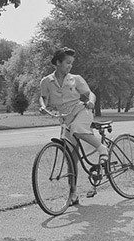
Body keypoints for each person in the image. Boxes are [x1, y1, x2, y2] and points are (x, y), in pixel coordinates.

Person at [39, 47, 108, 203]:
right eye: (67, 63)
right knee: (71, 158)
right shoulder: (46, 81)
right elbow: (43, 97)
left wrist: (91, 101)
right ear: (58, 63)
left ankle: (102, 148)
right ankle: (73, 194)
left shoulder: (75, 79)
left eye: (71, 63)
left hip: (81, 112)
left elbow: (90, 94)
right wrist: (43, 106)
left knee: (77, 128)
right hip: (65, 119)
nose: (70, 66)